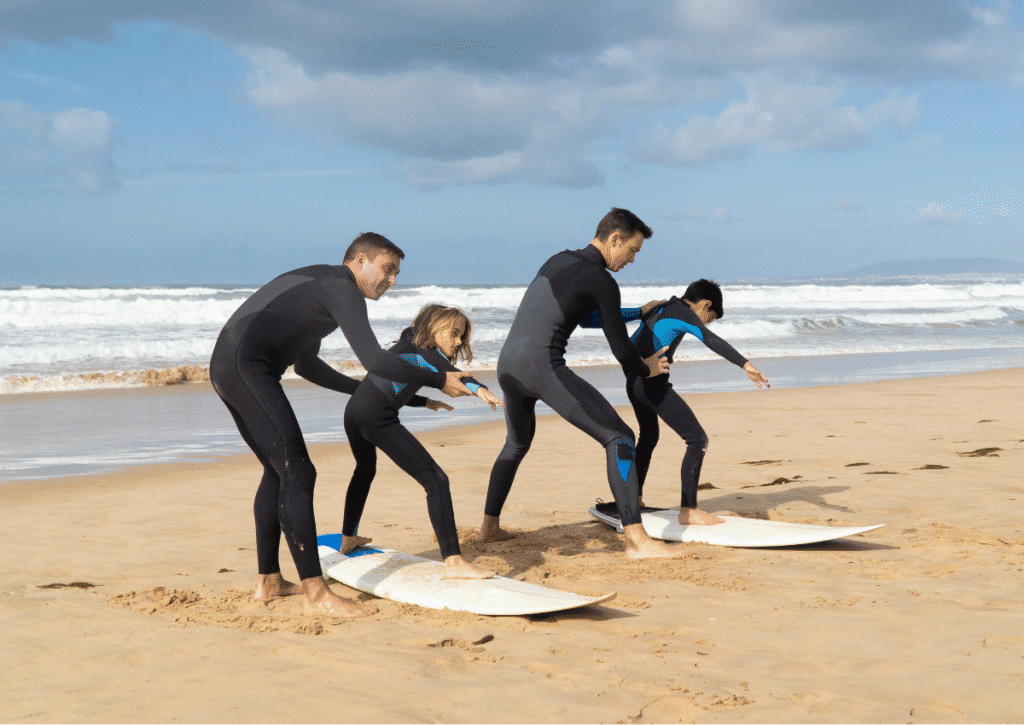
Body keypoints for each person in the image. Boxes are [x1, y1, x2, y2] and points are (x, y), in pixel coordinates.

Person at [209, 232, 475, 619]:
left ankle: (269, 582)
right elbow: (376, 361)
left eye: (397, 273)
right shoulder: (341, 289)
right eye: (388, 269)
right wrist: (439, 379)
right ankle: (316, 595)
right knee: (298, 471)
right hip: (245, 367)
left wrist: (360, 391)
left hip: (231, 366)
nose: (393, 281)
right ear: (361, 260)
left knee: (278, 470)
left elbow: (306, 364)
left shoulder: (323, 291)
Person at [480, 207, 688, 559]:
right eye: (632, 250)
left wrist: (637, 311)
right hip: (541, 367)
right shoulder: (602, 280)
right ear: (615, 238)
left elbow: (587, 316)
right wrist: (647, 367)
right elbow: (622, 349)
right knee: (620, 437)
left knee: (515, 445)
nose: (632, 260)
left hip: (509, 367)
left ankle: (489, 528)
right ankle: (637, 540)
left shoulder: (558, 261)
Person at [588, 279, 769, 526]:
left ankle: (635, 498)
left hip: (633, 381)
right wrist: (746, 365)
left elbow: (631, 341)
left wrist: (637, 378)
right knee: (697, 439)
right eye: (710, 316)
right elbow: (711, 339)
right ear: (705, 304)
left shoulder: (657, 307)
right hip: (652, 384)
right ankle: (689, 510)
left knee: (649, 435)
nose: (706, 321)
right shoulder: (685, 314)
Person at [341, 304, 504, 579]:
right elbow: (448, 372)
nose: (457, 341)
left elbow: (391, 385)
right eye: (453, 333)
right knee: (436, 480)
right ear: (434, 327)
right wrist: (480, 389)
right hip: (376, 416)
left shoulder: (409, 342)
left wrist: (424, 401)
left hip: (354, 411)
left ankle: (348, 538)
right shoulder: (424, 350)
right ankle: (453, 562)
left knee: (364, 470)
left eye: (461, 337)